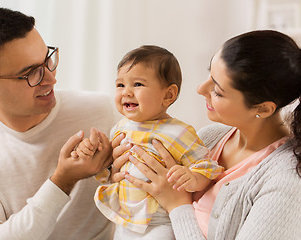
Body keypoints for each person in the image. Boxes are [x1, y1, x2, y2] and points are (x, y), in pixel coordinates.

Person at [0, 7, 118, 240]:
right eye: (30, 73)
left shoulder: (101, 111)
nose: (51, 79)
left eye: (47, 60)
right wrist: (62, 181)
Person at [112, 30, 301, 239]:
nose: (201, 89)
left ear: (263, 109)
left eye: (218, 91)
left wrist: (177, 206)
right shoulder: (210, 137)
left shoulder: (286, 182)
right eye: (209, 74)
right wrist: (121, 176)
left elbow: (173, 201)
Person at [74, 45, 223, 239]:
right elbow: (108, 170)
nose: (126, 92)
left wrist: (192, 177)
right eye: (120, 85)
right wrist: (92, 153)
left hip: (159, 222)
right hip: (125, 220)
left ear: (168, 95)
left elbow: (207, 167)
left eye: (137, 84)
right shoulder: (120, 128)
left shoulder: (177, 132)